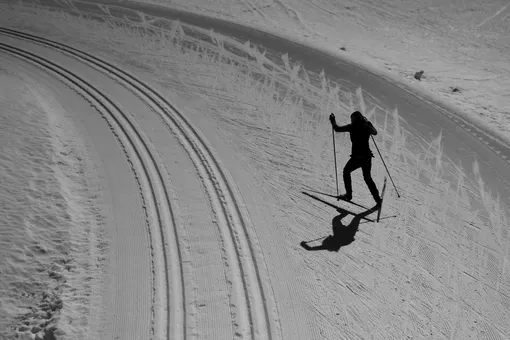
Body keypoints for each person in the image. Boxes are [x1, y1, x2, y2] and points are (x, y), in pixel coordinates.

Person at [329, 111, 381, 206]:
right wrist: (368, 124)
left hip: (357, 158)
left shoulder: (352, 126)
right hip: (367, 157)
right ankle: (378, 199)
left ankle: (348, 195)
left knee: (346, 171)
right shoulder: (366, 125)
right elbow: (375, 132)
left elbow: (337, 129)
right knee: (367, 178)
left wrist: (333, 121)